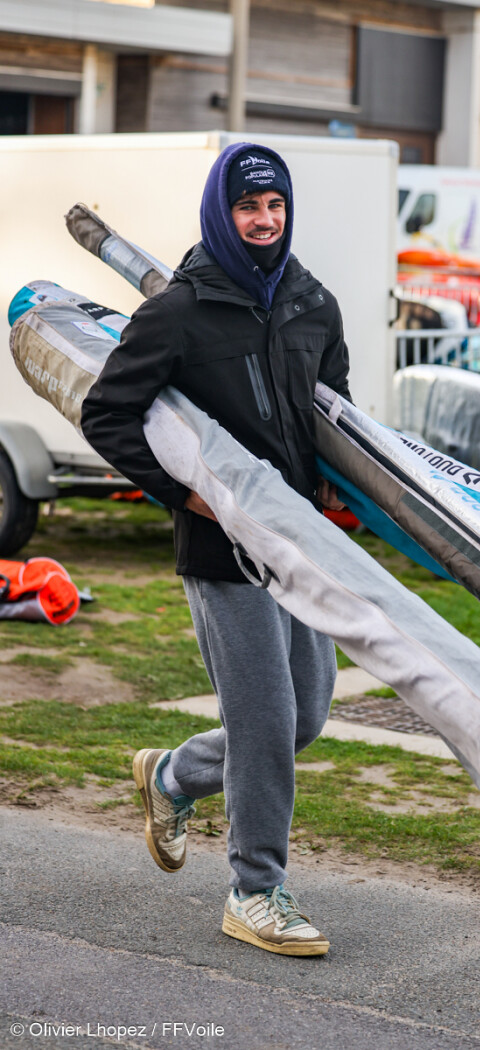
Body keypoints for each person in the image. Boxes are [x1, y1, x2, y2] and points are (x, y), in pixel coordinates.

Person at [81, 142, 351, 957]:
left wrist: (340, 496)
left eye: (274, 205)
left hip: (298, 545)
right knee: (264, 725)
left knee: (304, 717)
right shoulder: (178, 311)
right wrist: (186, 495)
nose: (264, 220)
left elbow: (335, 412)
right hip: (223, 549)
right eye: (248, 206)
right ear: (221, 214)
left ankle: (171, 776)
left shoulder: (313, 304)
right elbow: (107, 415)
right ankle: (255, 891)